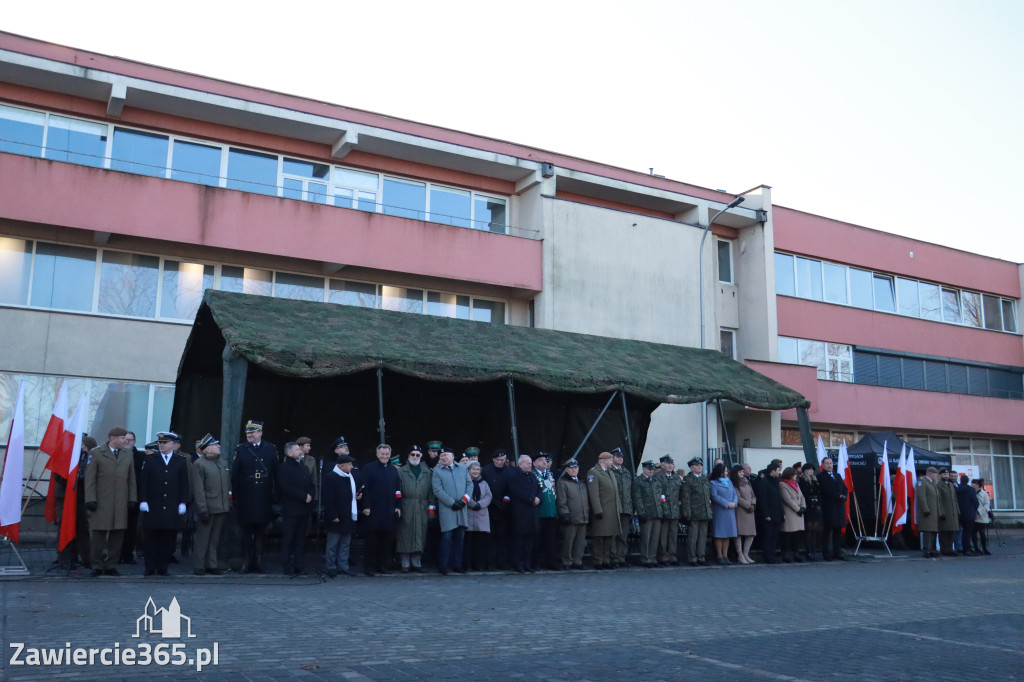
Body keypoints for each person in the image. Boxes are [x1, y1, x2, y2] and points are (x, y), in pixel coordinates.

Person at [84, 426, 136, 577]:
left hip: (120, 502)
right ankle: (97, 565)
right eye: (122, 438)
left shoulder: (127, 455)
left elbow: (131, 479)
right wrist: (90, 499)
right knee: (99, 536)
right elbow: (90, 479)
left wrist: (132, 498)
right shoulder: (96, 454)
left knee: (117, 535)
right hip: (102, 501)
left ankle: (112, 565)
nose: (125, 441)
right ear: (112, 438)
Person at [138, 431, 190, 576]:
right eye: (160, 443)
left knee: (167, 539)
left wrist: (183, 502)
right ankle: (150, 567)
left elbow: (184, 484)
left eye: (165, 443)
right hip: (153, 505)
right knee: (151, 538)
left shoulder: (180, 461)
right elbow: (144, 483)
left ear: (173, 445)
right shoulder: (150, 459)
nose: (161, 445)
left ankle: (162, 567)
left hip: (172, 505)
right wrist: (143, 500)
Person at [232, 419, 278, 574]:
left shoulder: (270, 449)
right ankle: (246, 561)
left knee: (260, 529)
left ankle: (258, 560)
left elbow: (275, 473)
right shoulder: (241, 449)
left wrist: (275, 497)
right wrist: (236, 497)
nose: (249, 435)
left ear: (260, 433)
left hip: (263, 495)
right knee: (246, 530)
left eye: (252, 432)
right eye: (247, 432)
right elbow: (235, 475)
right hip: (246, 494)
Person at [360, 443, 402, 575]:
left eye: (387, 454)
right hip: (373, 511)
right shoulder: (369, 468)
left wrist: (398, 506)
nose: (385, 456)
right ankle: (369, 567)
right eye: (382, 454)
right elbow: (364, 488)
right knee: (371, 541)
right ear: (377, 454)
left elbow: (398, 491)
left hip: (389, 511)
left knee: (385, 541)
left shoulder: (393, 470)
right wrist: (366, 506)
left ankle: (381, 565)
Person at [191, 433, 230, 575]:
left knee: (214, 539)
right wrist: (202, 509)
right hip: (208, 507)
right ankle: (199, 565)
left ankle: (211, 564)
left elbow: (227, 486)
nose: (218, 446)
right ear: (207, 449)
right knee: (203, 538)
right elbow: (198, 489)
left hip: (221, 506)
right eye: (215, 445)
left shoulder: (222, 462)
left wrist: (228, 503)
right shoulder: (199, 464)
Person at [431, 449, 472, 575]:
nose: (443, 458)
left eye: (445, 455)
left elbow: (469, 485)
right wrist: (452, 503)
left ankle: (457, 564)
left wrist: (464, 500)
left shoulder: (462, 469)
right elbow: (437, 490)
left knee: (460, 537)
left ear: (453, 456)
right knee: (447, 537)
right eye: (441, 456)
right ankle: (443, 565)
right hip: (447, 509)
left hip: (462, 508)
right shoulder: (437, 471)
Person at [277, 441, 315, 575]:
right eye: (297, 449)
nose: (300, 451)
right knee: (288, 539)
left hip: (304, 510)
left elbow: (311, 484)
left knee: (300, 540)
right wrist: (303, 496)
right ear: (290, 452)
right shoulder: (283, 468)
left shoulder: (303, 468)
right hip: (291, 510)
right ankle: (287, 567)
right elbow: (286, 487)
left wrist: (310, 495)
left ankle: (299, 565)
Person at [396, 445, 434, 572]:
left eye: (418, 455)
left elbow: (431, 495)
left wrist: (431, 512)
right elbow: (397, 492)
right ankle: (405, 563)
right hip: (407, 506)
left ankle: (416, 562)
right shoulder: (401, 471)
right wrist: (399, 507)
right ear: (408, 456)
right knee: (405, 534)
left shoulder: (427, 472)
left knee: (420, 534)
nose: (415, 457)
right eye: (413, 454)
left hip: (422, 506)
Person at [322, 453, 359, 577]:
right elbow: (328, 499)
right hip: (337, 516)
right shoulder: (331, 477)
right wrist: (333, 515)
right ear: (342, 466)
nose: (352, 467)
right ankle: (331, 567)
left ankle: (343, 566)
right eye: (349, 464)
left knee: (345, 543)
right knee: (333, 544)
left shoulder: (349, 477)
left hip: (348, 515)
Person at [507, 454, 542, 572]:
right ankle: (518, 564)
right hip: (520, 514)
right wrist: (531, 499)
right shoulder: (513, 476)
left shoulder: (532, 476)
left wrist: (538, 498)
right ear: (520, 464)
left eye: (531, 463)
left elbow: (539, 489)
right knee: (519, 542)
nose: (530, 465)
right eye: (528, 463)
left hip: (532, 514)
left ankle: (527, 564)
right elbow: (516, 491)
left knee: (529, 543)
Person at [587, 451, 622, 570]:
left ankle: (606, 559)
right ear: (603, 460)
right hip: (602, 511)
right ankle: (598, 560)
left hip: (612, 511)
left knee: (609, 537)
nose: (612, 462)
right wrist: (597, 510)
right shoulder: (594, 472)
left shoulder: (610, 472)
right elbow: (593, 494)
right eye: (610, 460)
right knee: (599, 538)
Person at [482, 449, 513, 570]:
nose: (500, 462)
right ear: (493, 459)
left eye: (503, 460)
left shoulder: (509, 472)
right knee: (489, 538)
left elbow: (511, 489)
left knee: (503, 538)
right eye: (498, 460)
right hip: (489, 508)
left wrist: (504, 502)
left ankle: (502, 561)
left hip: (504, 509)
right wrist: (494, 502)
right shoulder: (486, 471)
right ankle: (489, 562)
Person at [556, 459, 589, 570]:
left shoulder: (582, 482)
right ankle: (567, 561)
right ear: (566, 469)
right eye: (571, 468)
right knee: (568, 542)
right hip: (570, 517)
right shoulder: (562, 482)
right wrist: (565, 514)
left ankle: (577, 561)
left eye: (575, 467)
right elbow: (562, 500)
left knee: (580, 542)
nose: (574, 470)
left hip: (583, 516)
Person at [630, 461, 663, 567]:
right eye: (649, 469)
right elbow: (637, 498)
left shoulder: (656, 481)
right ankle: (645, 558)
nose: (651, 471)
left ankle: (652, 558)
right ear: (643, 469)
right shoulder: (639, 481)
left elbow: (661, 498)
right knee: (646, 538)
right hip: (646, 514)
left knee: (654, 537)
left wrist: (661, 510)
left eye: (652, 469)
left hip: (657, 513)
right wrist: (641, 512)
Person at [680, 457, 712, 566]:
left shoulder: (704, 479)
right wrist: (687, 513)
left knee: (702, 537)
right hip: (693, 513)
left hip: (704, 512)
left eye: (701, 465)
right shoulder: (688, 480)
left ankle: (701, 557)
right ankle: (692, 558)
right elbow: (686, 498)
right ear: (691, 467)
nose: (699, 467)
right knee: (693, 538)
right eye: (697, 465)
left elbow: (708, 497)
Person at [817, 456, 848, 561]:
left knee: (838, 531)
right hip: (829, 506)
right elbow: (826, 490)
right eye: (827, 463)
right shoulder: (820, 476)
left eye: (830, 463)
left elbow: (844, 487)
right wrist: (838, 496)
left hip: (839, 506)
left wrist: (844, 495)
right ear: (823, 465)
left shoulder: (837, 475)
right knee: (827, 531)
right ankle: (826, 554)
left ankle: (837, 552)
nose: (829, 465)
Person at [120, 431, 145, 565]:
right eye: (126, 439)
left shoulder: (140, 457)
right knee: (118, 528)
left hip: (134, 497)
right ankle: (117, 555)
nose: (128, 442)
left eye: (130, 440)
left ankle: (128, 554)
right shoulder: (117, 455)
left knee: (131, 529)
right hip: (119, 497)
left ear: (134, 441)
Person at [464, 461, 492, 571]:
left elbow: (489, 495)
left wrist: (480, 504)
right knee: (468, 544)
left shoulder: (484, 483)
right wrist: (472, 504)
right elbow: (463, 494)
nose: (476, 471)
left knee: (480, 544)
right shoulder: (465, 482)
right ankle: (468, 565)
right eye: (473, 469)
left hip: (481, 515)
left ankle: (479, 565)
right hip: (469, 514)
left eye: (477, 469)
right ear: (468, 471)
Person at [609, 447, 635, 568]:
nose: (620, 458)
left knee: (623, 536)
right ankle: (612, 558)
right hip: (614, 508)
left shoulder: (627, 472)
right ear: (612, 458)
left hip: (626, 508)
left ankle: (621, 557)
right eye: (618, 456)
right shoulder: (609, 471)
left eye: (621, 457)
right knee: (613, 535)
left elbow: (631, 491)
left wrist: (632, 508)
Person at [532, 453, 558, 570]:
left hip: (551, 512)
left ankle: (551, 563)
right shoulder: (533, 475)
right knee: (537, 540)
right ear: (534, 463)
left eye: (545, 460)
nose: (544, 462)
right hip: (539, 512)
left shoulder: (550, 475)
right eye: (541, 460)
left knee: (551, 540)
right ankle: (537, 563)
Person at [709, 462, 738, 565]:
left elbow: (735, 494)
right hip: (720, 511)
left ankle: (725, 555)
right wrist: (727, 504)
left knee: (727, 534)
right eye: (725, 471)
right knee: (719, 534)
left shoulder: (729, 482)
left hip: (730, 511)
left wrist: (734, 502)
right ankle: (719, 555)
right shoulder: (713, 483)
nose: (727, 472)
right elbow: (714, 496)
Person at [755, 462, 784, 564]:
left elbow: (778, 498)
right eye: (778, 470)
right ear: (773, 471)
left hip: (776, 514)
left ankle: (772, 554)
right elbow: (763, 500)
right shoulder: (764, 481)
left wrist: (782, 512)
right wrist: (766, 514)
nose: (779, 473)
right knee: (768, 536)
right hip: (769, 515)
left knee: (774, 537)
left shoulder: (775, 481)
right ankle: (768, 556)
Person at [656, 455, 682, 566]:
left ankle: (672, 556)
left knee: (673, 535)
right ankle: (663, 557)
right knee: (663, 536)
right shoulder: (658, 477)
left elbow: (681, 494)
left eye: (672, 463)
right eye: (668, 463)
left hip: (675, 510)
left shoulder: (676, 477)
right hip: (663, 510)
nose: (670, 465)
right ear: (662, 465)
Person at [779, 467, 807, 563]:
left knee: (797, 534)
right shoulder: (782, 484)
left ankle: (796, 553)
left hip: (799, 513)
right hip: (790, 512)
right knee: (788, 534)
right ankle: (786, 554)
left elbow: (802, 496)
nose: (796, 476)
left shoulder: (796, 484)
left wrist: (803, 507)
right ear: (789, 475)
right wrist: (798, 509)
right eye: (794, 474)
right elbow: (787, 499)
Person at [730, 464, 757, 564]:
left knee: (751, 533)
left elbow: (753, 495)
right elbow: (738, 497)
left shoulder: (747, 482)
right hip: (741, 510)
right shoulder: (734, 483)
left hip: (750, 510)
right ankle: (740, 554)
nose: (742, 473)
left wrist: (753, 504)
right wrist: (747, 505)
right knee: (739, 533)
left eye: (742, 472)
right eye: (740, 472)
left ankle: (746, 553)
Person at [295, 436, 320, 536]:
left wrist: (315, 497)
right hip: (295, 494)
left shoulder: (311, 460)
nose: (309, 448)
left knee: (306, 523)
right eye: (307, 445)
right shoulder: (290, 458)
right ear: (300, 447)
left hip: (308, 495)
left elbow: (314, 479)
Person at [798, 463, 823, 561]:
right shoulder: (802, 481)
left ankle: (813, 550)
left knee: (815, 531)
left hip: (816, 507)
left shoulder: (815, 480)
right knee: (809, 530)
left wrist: (817, 501)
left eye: (812, 470)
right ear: (804, 470)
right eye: (809, 469)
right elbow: (804, 494)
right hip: (808, 507)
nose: (811, 471)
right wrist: (811, 501)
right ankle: (808, 551)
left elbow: (819, 492)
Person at [915, 466, 940, 558]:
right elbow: (921, 497)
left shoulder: (932, 483)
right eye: (936, 474)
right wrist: (925, 509)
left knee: (933, 532)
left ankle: (933, 550)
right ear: (930, 473)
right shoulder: (922, 481)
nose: (937, 476)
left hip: (933, 512)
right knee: (928, 532)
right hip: (927, 512)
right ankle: (927, 550)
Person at [936, 468, 960, 556]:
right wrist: (941, 511)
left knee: (952, 532)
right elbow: (939, 500)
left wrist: (957, 510)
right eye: (944, 474)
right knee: (944, 532)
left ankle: (950, 549)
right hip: (945, 512)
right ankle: (944, 549)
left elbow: (955, 499)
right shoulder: (938, 485)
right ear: (940, 475)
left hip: (953, 512)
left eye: (947, 474)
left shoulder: (951, 485)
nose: (946, 476)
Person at [955, 474, 979, 556]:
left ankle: (960, 547)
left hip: (958, 513)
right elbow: (975, 502)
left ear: (960, 480)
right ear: (968, 481)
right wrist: (974, 510)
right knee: (967, 532)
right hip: (969, 513)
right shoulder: (970, 490)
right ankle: (967, 549)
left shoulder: (957, 489)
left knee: (959, 532)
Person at [972, 479, 991, 555]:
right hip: (973, 516)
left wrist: (979, 512)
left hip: (982, 516)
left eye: (974, 483)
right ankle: (976, 548)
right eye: (972, 483)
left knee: (982, 533)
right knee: (973, 534)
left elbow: (987, 505)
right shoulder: (971, 492)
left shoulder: (984, 494)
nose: (973, 484)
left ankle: (984, 548)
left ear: (978, 485)